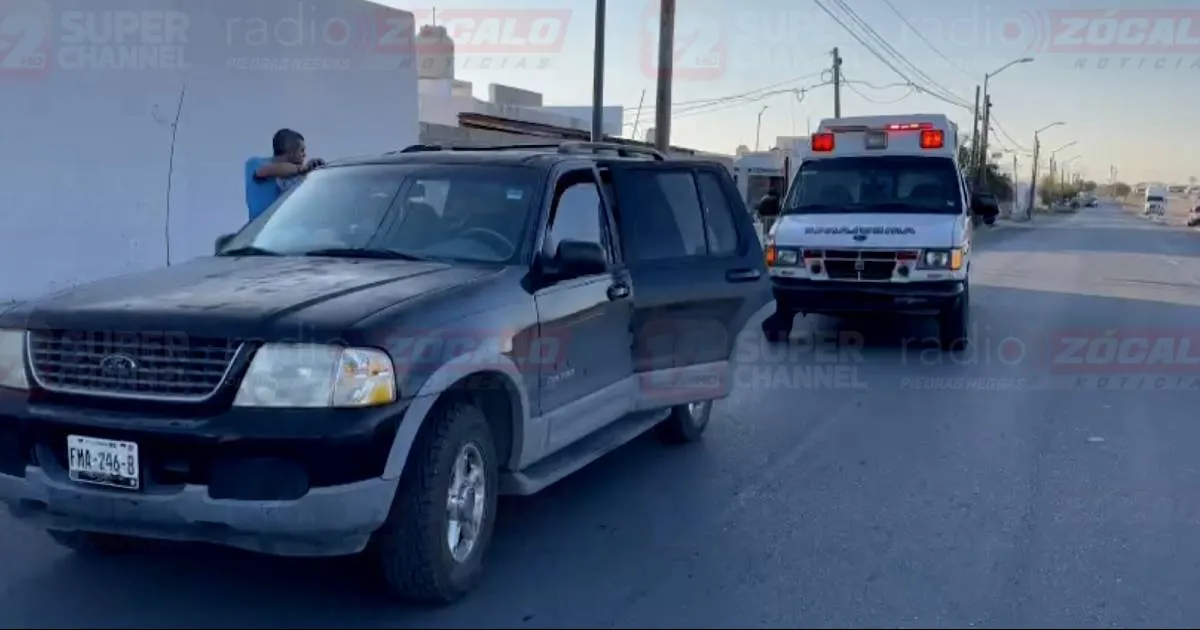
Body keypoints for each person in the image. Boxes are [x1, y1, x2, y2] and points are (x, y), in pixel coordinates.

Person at [244, 128, 325, 221]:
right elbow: (263, 172)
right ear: (291, 151)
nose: (304, 155)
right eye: (301, 150)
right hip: (262, 230)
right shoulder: (255, 163)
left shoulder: (294, 175)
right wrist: (303, 169)